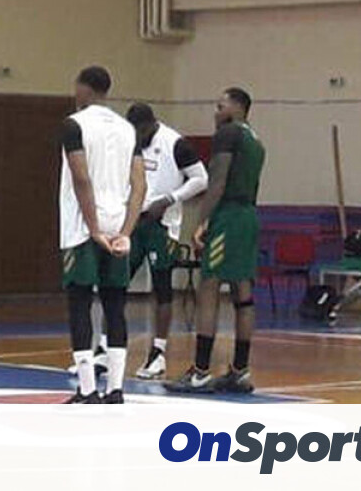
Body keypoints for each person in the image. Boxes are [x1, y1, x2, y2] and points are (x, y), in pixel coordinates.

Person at [168, 88, 265, 395]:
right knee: (243, 293)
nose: (216, 111)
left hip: (229, 217)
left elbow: (217, 182)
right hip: (249, 216)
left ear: (237, 108)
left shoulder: (228, 134)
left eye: (221, 105)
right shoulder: (256, 140)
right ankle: (240, 371)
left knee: (209, 287)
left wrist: (202, 222)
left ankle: (200, 371)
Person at [59, 66, 145, 404]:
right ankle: (116, 388)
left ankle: (87, 388)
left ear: (83, 88)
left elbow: (81, 178)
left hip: (83, 227)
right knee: (115, 304)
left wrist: (94, 228)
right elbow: (140, 185)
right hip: (118, 223)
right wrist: (125, 232)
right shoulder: (128, 128)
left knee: (79, 303)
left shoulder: (74, 124)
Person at [126, 103, 207, 379]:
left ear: (151, 124)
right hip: (133, 221)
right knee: (115, 284)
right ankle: (104, 350)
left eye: (140, 132)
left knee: (162, 288)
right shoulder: (130, 142)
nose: (137, 137)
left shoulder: (175, 143)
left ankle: (158, 353)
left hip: (162, 226)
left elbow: (201, 179)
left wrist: (170, 199)